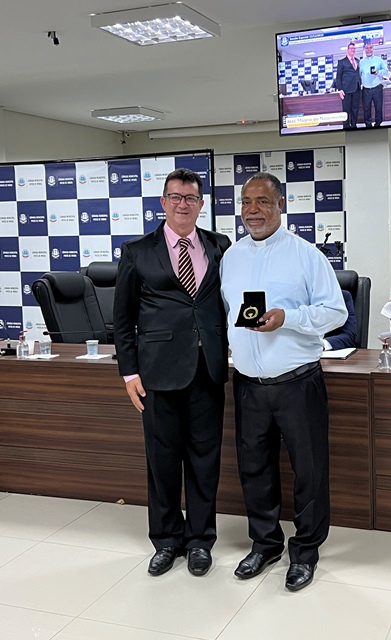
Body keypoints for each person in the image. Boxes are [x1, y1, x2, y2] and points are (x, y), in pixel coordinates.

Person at [220, 172, 348, 592]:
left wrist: (288, 318)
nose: (252, 210)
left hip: (297, 383)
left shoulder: (306, 255)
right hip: (248, 384)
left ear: (280, 205)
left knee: (308, 470)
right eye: (246, 202)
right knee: (254, 468)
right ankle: (265, 544)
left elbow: (335, 312)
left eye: (262, 201)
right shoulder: (231, 257)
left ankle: (306, 551)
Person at [113, 168, 231, 578]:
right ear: (163, 202)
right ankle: (166, 540)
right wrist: (129, 373)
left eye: (191, 197)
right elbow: (123, 319)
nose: (183, 204)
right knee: (162, 461)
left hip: (207, 370)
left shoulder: (219, 245)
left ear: (201, 204)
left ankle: (200, 541)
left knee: (204, 460)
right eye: (175, 197)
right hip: (157, 374)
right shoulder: (137, 251)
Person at [359, 42, 389, 127]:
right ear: (365, 50)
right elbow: (359, 74)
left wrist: (378, 72)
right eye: (367, 48)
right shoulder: (361, 62)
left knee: (378, 107)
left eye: (370, 48)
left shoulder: (379, 60)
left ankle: (378, 124)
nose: (369, 50)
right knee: (366, 108)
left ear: (373, 49)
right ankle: (368, 125)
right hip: (366, 89)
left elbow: (386, 71)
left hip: (377, 88)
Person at [336, 42, 361, 129]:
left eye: (354, 48)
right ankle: (346, 126)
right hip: (346, 90)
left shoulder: (358, 61)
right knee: (346, 109)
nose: (353, 50)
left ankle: (354, 125)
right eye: (351, 48)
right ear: (347, 50)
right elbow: (338, 77)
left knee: (355, 108)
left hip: (356, 89)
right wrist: (340, 89)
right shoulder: (342, 62)